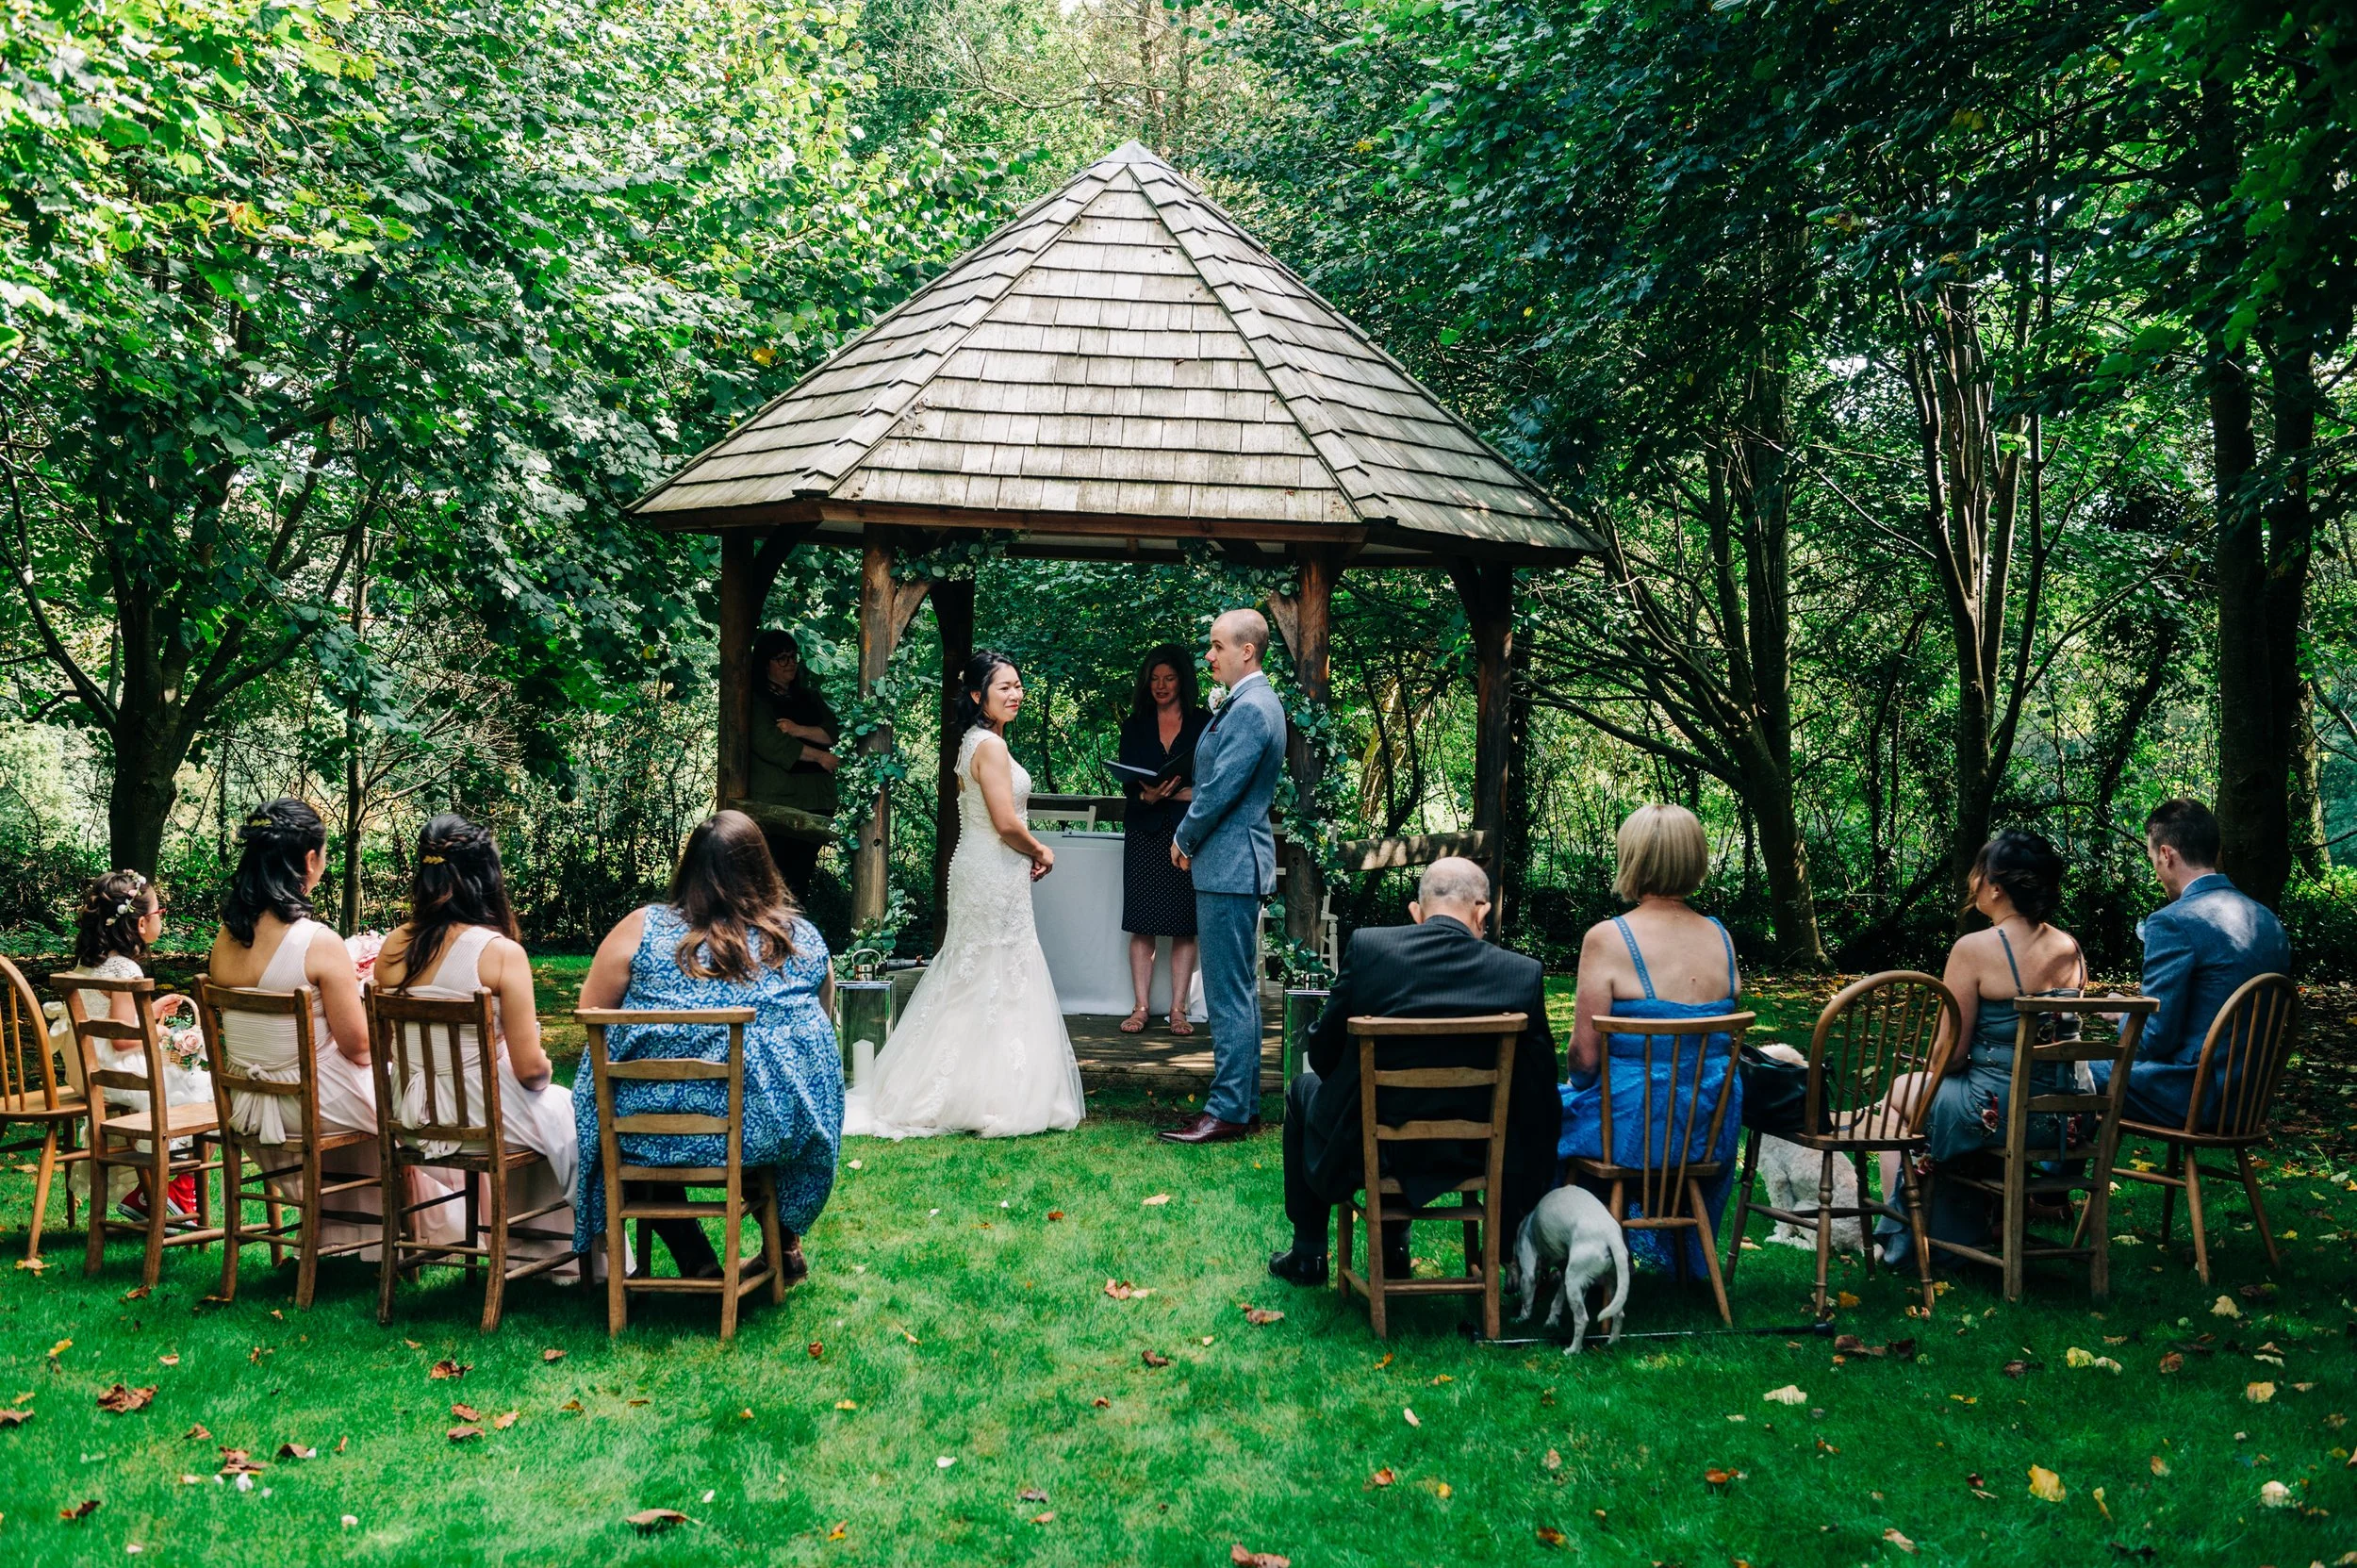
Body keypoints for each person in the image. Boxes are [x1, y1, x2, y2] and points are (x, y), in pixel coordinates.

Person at [573, 811, 842, 1280]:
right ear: (763, 869)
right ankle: (783, 1241)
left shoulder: (641, 929)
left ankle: (695, 1260)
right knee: (783, 1097)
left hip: (652, 1128)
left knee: (646, 1121)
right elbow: (821, 1024)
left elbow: (591, 1015)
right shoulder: (799, 939)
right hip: (766, 1132)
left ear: (689, 866)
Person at [1267, 857, 1558, 1286]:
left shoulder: (1369, 950)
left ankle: (1309, 1253)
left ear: (1416, 913)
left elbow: (1325, 1054)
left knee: (1302, 1090)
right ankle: (1399, 1249)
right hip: (1473, 1150)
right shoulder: (1521, 975)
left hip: (1372, 1144)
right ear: (1483, 911)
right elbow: (1539, 1090)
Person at [844, 652, 1085, 1139]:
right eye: (1004, 688)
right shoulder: (989, 748)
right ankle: (975, 1093)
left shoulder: (976, 741)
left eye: (1018, 686)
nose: (1016, 694)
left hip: (987, 866)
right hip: (990, 868)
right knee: (989, 968)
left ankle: (988, 1088)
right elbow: (1003, 821)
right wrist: (1042, 849)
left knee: (987, 971)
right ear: (978, 696)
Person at [206, 800, 457, 1253]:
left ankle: (356, 1238)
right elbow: (361, 1048)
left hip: (249, 1104)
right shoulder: (316, 941)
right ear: (309, 860)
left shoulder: (226, 939)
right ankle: (468, 1223)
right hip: (310, 1104)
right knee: (429, 1106)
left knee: (381, 1098)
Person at [1871, 828, 2088, 1262]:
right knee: (1935, 1096)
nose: (1973, 882)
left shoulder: (1973, 949)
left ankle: (1911, 1237)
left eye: (1978, 873)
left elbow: (1950, 1057)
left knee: (1898, 1096)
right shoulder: (2070, 947)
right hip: (2068, 1115)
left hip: (2002, 1112)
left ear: (1994, 886)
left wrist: (1936, 1062)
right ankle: (1980, 1221)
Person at [371, 815, 576, 1265]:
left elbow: (387, 1050)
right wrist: (541, 1067)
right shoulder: (499, 953)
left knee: (551, 1118)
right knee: (566, 1116)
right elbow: (530, 1071)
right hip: (485, 1115)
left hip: (414, 1114)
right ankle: (550, 1254)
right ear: (487, 877)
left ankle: (529, 1251)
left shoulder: (391, 949)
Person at [1558, 803, 1744, 1274]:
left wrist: (1576, 1084)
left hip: (1631, 1133)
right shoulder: (1721, 938)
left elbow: (1582, 1061)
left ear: (1632, 858)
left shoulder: (1607, 938)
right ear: (1695, 859)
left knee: (1539, 1118)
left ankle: (1554, 1259)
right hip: (1704, 1132)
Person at [1162, 609, 1288, 1145]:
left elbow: (1219, 789)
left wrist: (1184, 836)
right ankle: (1244, 1105)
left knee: (1226, 994)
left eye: (1216, 646)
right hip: (1234, 863)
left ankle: (1229, 1111)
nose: (1208, 656)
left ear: (1247, 651)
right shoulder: (1250, 703)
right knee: (1237, 991)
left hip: (1230, 863)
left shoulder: (1252, 709)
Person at [2091, 798, 2291, 1129]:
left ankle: (2036, 1180)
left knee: (2060, 1070)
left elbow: (2154, 1040)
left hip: (2194, 1097)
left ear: (2167, 855)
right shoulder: (2268, 921)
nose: (2156, 872)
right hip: (2247, 1103)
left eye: (2153, 859)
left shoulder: (2173, 922)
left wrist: (2124, 1014)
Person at [51, 869, 211, 1222]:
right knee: (205, 1090)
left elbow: (113, 1022)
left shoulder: (92, 961)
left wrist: (150, 1012)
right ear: (140, 925)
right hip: (114, 1071)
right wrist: (162, 1033)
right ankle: (178, 1191)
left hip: (84, 1067)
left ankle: (150, 1195)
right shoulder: (126, 969)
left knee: (189, 1084)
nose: (161, 919)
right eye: (159, 914)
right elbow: (125, 1040)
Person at [1116, 643, 1209, 1036]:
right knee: (1142, 922)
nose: (1161, 685)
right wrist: (1146, 796)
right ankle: (1140, 1007)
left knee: (1184, 924)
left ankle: (1178, 1010)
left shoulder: (1204, 722)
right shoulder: (1135, 724)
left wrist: (1180, 795)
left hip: (1187, 832)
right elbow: (1125, 783)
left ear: (1183, 681)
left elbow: (1214, 780)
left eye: (1169, 678)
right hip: (1144, 828)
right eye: (1154, 679)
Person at [748, 630, 842, 902]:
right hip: (778, 802)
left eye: (792, 657)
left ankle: (792, 935)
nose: (790, 663)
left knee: (799, 881)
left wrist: (798, 729)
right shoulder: (755, 699)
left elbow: (833, 734)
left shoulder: (810, 697)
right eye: (781, 658)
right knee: (771, 881)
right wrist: (821, 757)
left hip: (816, 800)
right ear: (765, 664)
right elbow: (770, 742)